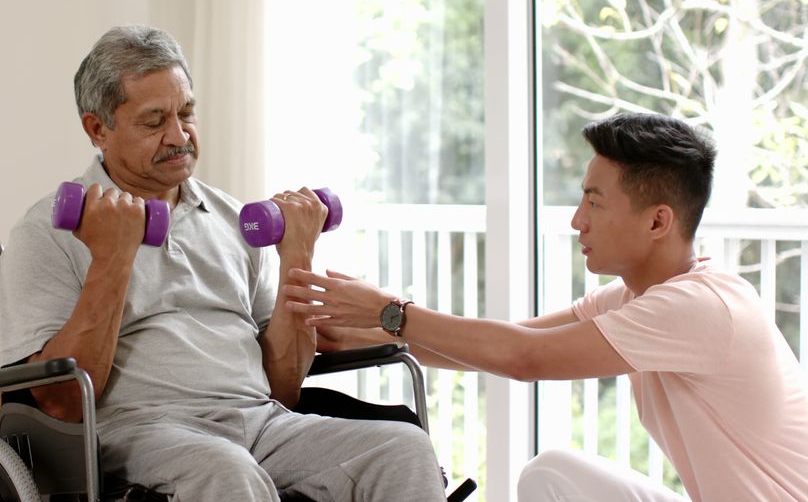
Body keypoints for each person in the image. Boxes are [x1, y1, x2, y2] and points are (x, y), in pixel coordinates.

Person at [0, 25, 447, 501]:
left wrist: (297, 253)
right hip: (140, 432)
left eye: (186, 113)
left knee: (402, 448)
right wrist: (112, 258)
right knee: (224, 470)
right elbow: (59, 401)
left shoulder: (236, 221)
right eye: (154, 122)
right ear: (97, 129)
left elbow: (283, 389)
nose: (179, 135)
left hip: (261, 423)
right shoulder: (47, 233)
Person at [283, 113, 808, 501]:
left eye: (595, 202)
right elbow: (506, 342)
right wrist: (366, 331)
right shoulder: (637, 296)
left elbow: (526, 358)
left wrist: (391, 312)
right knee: (549, 474)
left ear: (657, 222)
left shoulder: (702, 306)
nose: (578, 220)